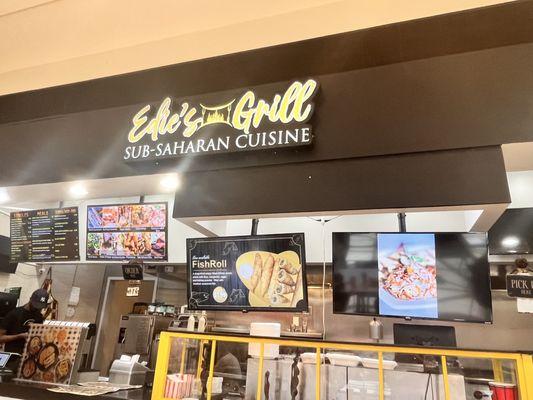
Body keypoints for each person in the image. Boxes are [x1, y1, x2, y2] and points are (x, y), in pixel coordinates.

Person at [0, 289, 49, 355]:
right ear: (30, 299)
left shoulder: (39, 316)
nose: (37, 308)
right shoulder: (14, 314)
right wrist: (19, 336)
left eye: (40, 307)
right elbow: (1, 338)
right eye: (36, 305)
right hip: (13, 356)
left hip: (30, 356)